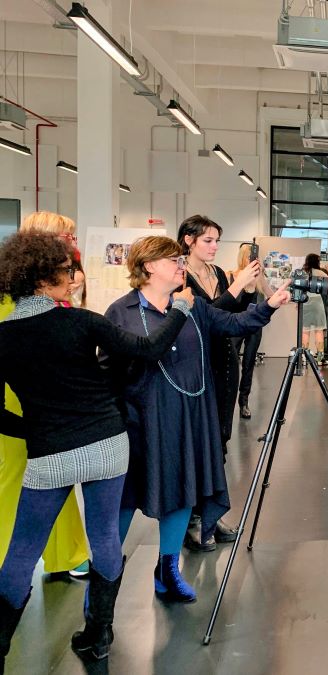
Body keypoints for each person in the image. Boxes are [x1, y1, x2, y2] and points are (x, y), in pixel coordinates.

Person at [0, 231, 192, 666]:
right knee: (105, 536)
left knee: (22, 550)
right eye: (67, 271)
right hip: (107, 443)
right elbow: (147, 349)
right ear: (43, 277)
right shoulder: (81, 322)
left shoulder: (4, 338)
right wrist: (180, 310)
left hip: (48, 452)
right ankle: (98, 635)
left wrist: (32, 428)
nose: (73, 278)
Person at [104, 236, 290, 603]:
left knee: (182, 493)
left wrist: (269, 304)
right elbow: (108, 370)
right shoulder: (121, 312)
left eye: (179, 259)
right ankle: (104, 584)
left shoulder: (194, 307)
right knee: (123, 500)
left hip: (188, 417)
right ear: (148, 267)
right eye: (172, 259)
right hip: (139, 422)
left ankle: (167, 572)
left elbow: (236, 323)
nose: (180, 264)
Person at [0, 211, 90, 582]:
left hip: (48, 394)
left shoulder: (54, 287)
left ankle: (66, 552)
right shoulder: (9, 298)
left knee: (56, 471)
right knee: (12, 476)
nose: (72, 243)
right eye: (65, 238)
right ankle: (8, 556)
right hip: (15, 395)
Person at [177, 215, 261, 549]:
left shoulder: (219, 274)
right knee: (198, 443)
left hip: (225, 364)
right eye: (207, 240)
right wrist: (238, 286)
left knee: (220, 442)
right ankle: (193, 519)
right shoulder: (179, 276)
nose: (213, 247)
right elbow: (206, 317)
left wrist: (249, 291)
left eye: (216, 241)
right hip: (195, 367)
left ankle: (210, 514)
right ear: (188, 240)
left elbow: (231, 318)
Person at [229, 243, 275, 420]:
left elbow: (271, 295)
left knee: (248, 364)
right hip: (235, 325)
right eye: (251, 256)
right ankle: (229, 401)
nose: (254, 259)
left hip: (253, 327)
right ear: (243, 257)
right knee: (231, 363)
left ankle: (244, 402)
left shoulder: (258, 277)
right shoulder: (232, 275)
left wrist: (262, 277)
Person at [300, 253, 328, 364]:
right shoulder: (320, 273)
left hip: (305, 301)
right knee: (319, 330)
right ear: (316, 262)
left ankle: (303, 357)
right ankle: (319, 358)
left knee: (305, 330)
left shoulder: (302, 273)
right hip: (317, 302)